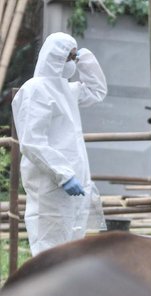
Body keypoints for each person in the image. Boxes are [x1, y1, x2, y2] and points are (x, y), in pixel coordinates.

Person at [12, 32, 107, 256]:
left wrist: (86, 59)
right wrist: (63, 174)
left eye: (74, 57)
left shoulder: (68, 90)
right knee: (49, 250)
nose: (72, 63)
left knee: (72, 251)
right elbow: (33, 141)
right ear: (54, 57)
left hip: (76, 185)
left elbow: (97, 91)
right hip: (52, 185)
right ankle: (43, 292)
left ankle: (65, 292)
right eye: (69, 57)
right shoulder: (35, 89)